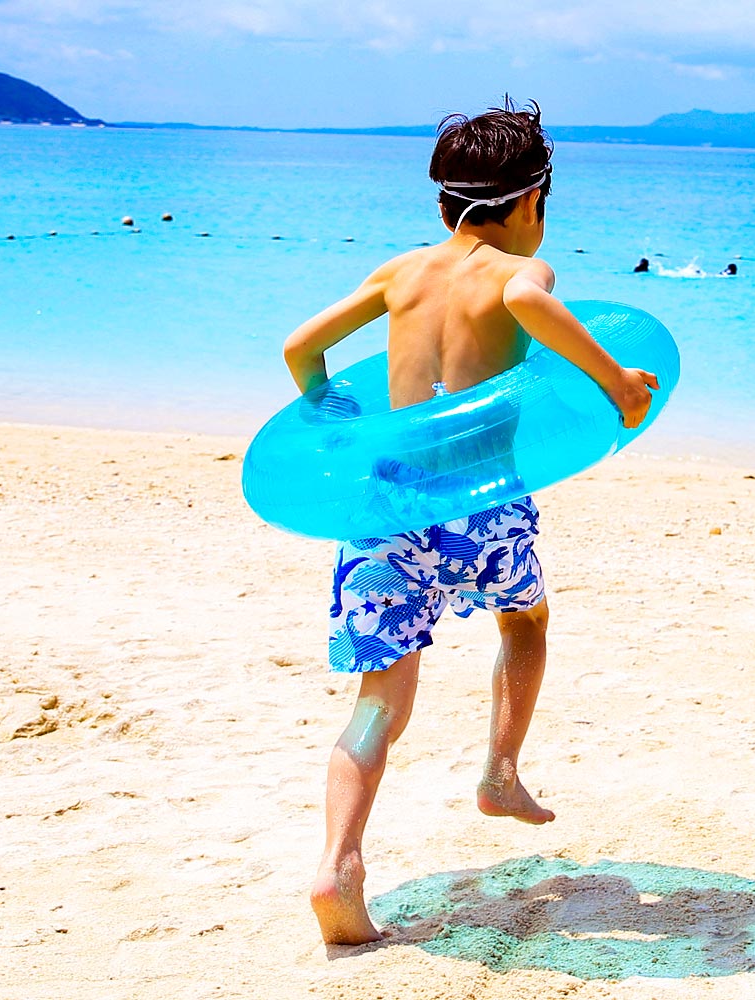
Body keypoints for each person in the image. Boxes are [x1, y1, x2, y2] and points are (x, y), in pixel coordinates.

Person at [276, 100, 660, 946]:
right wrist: (617, 386)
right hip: (480, 505)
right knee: (525, 623)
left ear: (443, 204)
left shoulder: (399, 273)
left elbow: (300, 346)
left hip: (386, 505)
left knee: (378, 701)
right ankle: (500, 770)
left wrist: (327, 403)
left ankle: (337, 866)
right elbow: (529, 294)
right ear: (531, 203)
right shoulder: (517, 271)